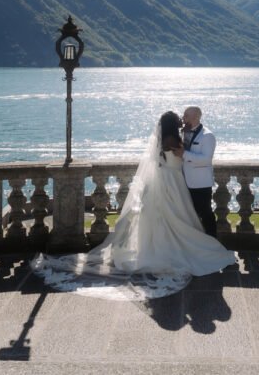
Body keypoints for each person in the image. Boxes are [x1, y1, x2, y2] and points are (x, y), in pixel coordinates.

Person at [30, 111, 236, 301]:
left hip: (166, 183)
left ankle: (157, 250)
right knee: (176, 220)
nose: (182, 121)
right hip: (173, 185)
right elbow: (182, 158)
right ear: (173, 126)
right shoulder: (174, 141)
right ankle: (175, 251)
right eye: (179, 120)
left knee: (162, 221)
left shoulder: (166, 139)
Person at [174, 106, 218, 237]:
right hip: (184, 181)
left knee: (205, 214)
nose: (183, 118)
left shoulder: (207, 136)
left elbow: (206, 159)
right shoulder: (184, 132)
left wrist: (184, 154)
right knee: (189, 215)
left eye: (186, 116)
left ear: (196, 117)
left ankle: (212, 240)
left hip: (201, 183)